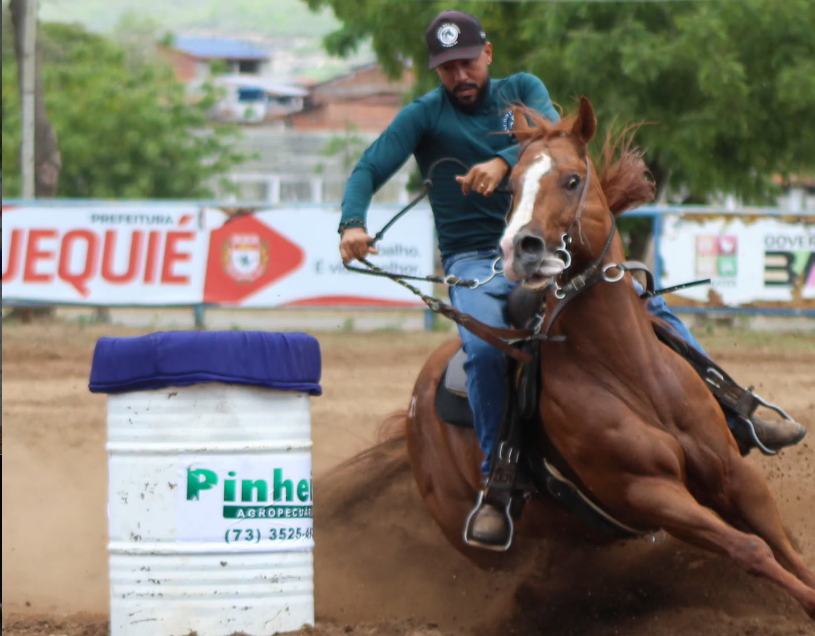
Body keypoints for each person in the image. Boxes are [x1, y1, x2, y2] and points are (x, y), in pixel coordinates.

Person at [338, 10, 806, 547]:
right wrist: (352, 223)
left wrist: (497, 161)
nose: (460, 76)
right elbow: (369, 169)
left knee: (645, 304)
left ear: (486, 54)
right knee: (488, 352)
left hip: (552, 244)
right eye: (447, 69)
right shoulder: (423, 116)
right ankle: (499, 478)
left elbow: (550, 141)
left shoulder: (522, 89)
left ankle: (735, 408)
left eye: (467, 62)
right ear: (436, 71)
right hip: (474, 262)